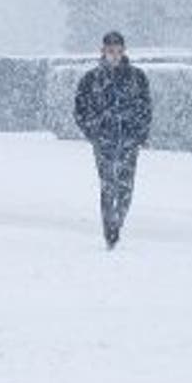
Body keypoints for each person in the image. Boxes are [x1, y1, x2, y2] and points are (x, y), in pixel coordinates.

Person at [74, 32, 153, 249]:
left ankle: (118, 219)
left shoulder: (137, 77)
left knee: (125, 189)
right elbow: (80, 110)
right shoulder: (91, 79)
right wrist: (93, 133)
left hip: (129, 141)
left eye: (118, 51)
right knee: (108, 186)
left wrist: (140, 135)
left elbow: (145, 108)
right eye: (110, 51)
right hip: (104, 142)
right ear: (103, 51)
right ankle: (109, 229)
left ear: (124, 51)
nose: (114, 55)